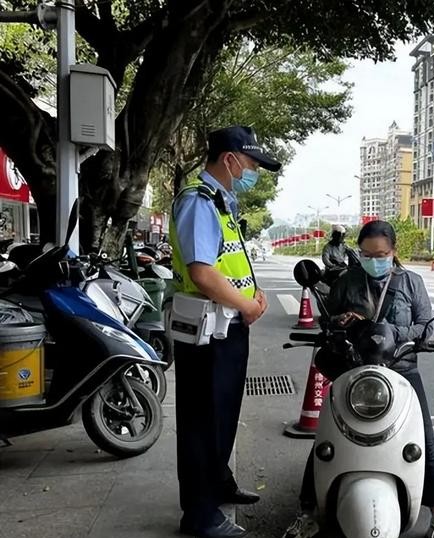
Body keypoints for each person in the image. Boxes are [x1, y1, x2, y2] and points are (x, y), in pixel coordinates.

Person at [282, 220, 434, 538]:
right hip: (354, 371)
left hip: (401, 370)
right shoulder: (347, 281)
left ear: (393, 252)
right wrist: (342, 322)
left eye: (381, 255)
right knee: (326, 439)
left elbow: (424, 326)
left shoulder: (411, 283)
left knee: (425, 440)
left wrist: (392, 332)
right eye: (366, 254)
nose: (374, 260)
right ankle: (307, 512)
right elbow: (328, 320)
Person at [169, 125, 278, 538]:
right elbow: (202, 272)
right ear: (230, 159)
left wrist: (254, 293)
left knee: (222, 416)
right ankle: (199, 515)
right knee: (203, 423)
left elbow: (227, 262)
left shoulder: (220, 202)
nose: (254, 173)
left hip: (226, 329)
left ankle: (218, 484)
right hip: (208, 334)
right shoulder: (199, 201)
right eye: (252, 164)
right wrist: (246, 305)